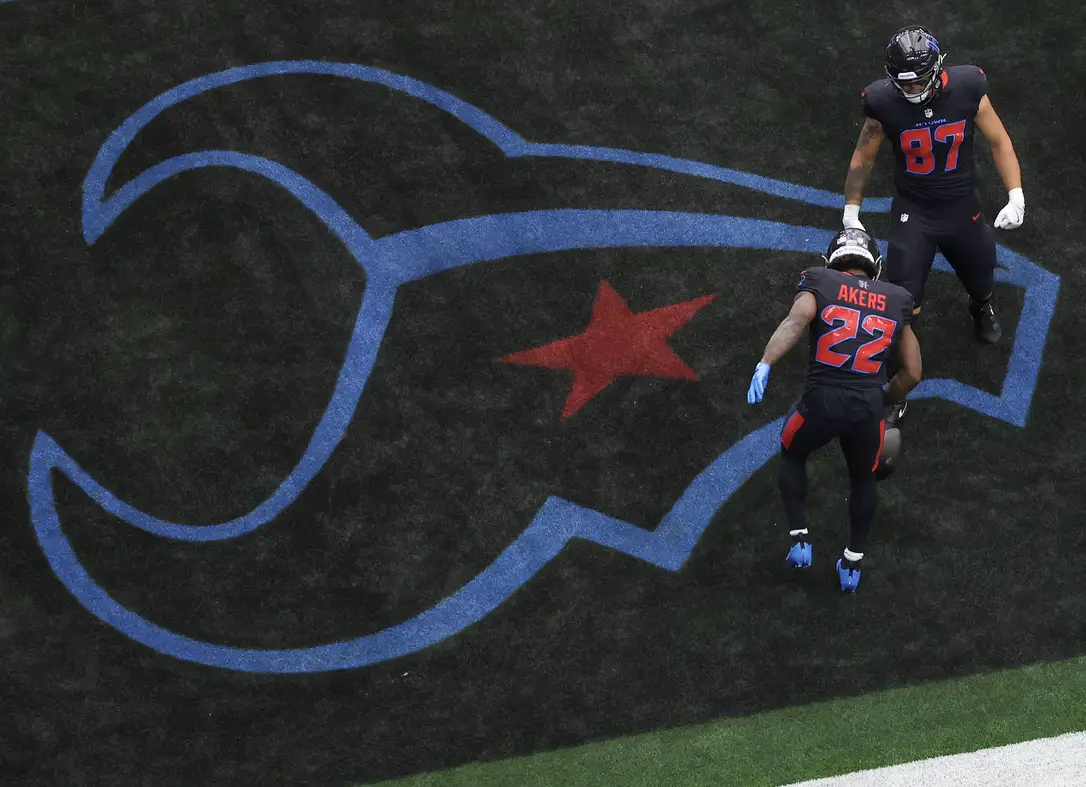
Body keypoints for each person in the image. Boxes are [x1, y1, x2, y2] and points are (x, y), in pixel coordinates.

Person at [841, 25, 1024, 429]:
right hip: (915, 212)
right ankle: (897, 387)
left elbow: (999, 140)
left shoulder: (967, 86)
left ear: (939, 67)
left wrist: (1016, 194)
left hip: (962, 207)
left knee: (981, 277)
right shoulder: (883, 102)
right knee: (903, 305)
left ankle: (981, 305)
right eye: (903, 83)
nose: (911, 90)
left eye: (919, 80)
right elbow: (863, 155)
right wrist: (851, 210)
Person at [746, 228, 923, 592]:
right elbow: (913, 372)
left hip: (822, 402)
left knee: (793, 453)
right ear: (873, 267)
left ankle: (799, 539)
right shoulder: (896, 298)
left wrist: (766, 362)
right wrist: (883, 399)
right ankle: (852, 562)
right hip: (866, 409)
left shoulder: (820, 281)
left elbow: (796, 321)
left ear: (834, 262)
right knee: (863, 479)